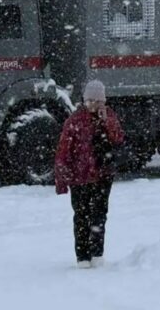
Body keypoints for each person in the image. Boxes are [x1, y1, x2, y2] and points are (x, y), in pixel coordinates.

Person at [54, 79, 124, 269]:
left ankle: (97, 254)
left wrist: (106, 121)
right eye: (89, 100)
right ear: (84, 100)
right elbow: (63, 151)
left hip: (103, 176)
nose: (93, 104)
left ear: (103, 101)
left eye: (97, 100)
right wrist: (61, 178)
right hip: (80, 177)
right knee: (81, 215)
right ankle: (82, 257)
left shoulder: (109, 117)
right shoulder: (75, 121)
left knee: (99, 215)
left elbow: (118, 138)